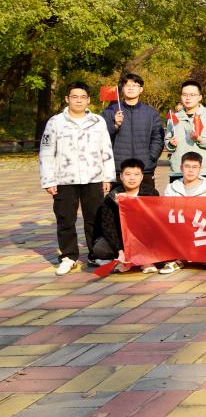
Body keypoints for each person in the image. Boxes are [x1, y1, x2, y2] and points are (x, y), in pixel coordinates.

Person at [40, 82, 116, 275]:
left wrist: (108, 177)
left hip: (94, 177)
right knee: (65, 218)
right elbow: (47, 152)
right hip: (64, 179)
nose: (79, 101)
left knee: (95, 218)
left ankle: (96, 254)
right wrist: (48, 180)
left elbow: (106, 150)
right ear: (67, 99)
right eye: (74, 97)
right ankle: (68, 256)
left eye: (83, 97)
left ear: (88, 100)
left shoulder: (98, 121)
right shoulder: (55, 122)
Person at [94, 159, 160, 273]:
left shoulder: (151, 194)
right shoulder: (111, 197)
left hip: (145, 238)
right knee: (100, 249)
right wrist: (120, 250)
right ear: (121, 176)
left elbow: (156, 222)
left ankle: (144, 259)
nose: (132, 178)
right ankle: (124, 257)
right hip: (122, 239)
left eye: (136, 174)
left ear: (142, 177)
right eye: (128, 174)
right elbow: (108, 227)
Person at [100, 73, 164, 190]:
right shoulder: (109, 111)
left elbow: (158, 138)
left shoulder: (151, 113)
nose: (131, 88)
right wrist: (115, 125)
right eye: (127, 85)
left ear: (141, 89)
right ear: (122, 89)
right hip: (119, 170)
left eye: (134, 85)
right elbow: (101, 138)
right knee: (118, 201)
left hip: (144, 169)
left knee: (146, 201)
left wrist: (151, 157)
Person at [167, 80, 206, 184]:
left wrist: (200, 139)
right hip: (178, 171)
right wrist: (170, 144)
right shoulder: (174, 118)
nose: (188, 98)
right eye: (184, 94)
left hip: (203, 171)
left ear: (200, 97)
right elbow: (167, 141)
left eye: (192, 95)